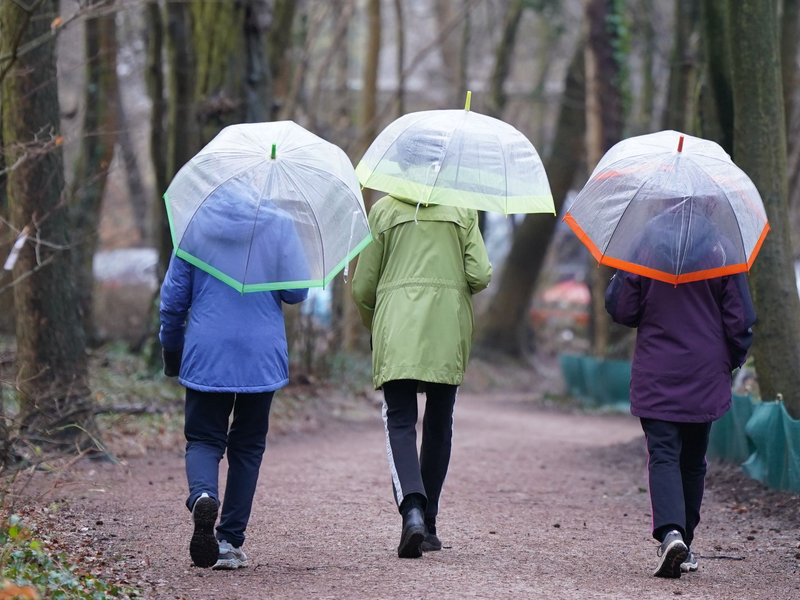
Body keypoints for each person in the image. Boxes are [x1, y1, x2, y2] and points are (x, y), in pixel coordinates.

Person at [160, 183, 308, 570]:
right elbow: (296, 292)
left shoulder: (194, 224)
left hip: (207, 351)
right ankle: (227, 540)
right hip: (261, 353)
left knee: (204, 439)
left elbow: (173, 301)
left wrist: (171, 351)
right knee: (247, 447)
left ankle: (204, 496)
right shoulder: (277, 222)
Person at [605, 211, 756, 578]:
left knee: (663, 455)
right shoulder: (722, 249)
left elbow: (623, 309)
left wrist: (622, 276)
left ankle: (672, 534)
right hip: (704, 371)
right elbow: (740, 319)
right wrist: (730, 360)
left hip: (657, 369)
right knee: (693, 460)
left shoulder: (645, 244)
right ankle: (683, 540)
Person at [351, 190, 492, 559]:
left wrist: (376, 325)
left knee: (399, 420)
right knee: (439, 422)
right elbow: (479, 275)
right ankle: (428, 524)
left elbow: (364, 286)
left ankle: (411, 509)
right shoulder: (463, 207)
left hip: (397, 329)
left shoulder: (382, 211)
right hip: (447, 329)